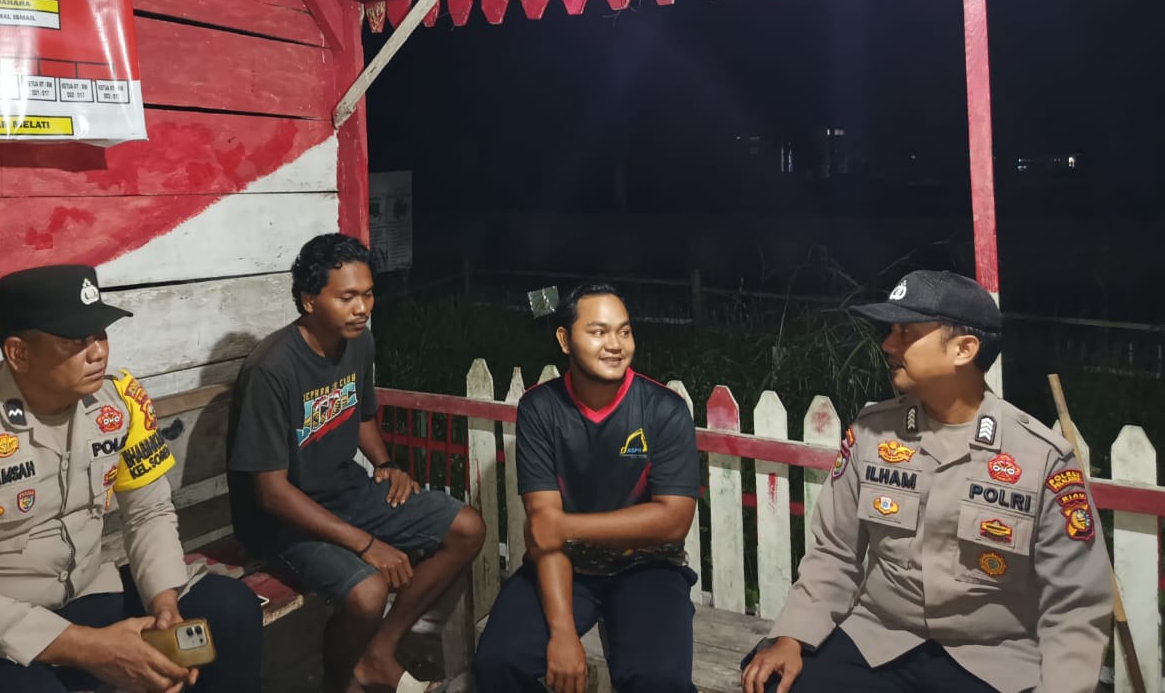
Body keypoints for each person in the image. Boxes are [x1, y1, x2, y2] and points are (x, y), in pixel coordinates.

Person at [0, 264, 262, 693]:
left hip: (81, 596)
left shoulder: (118, 401)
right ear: (18, 353)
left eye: (100, 334)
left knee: (231, 610)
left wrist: (164, 603)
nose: (97, 352)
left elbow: (149, 512)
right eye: (74, 341)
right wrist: (91, 648)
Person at [741, 270, 1113, 693]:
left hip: (992, 659)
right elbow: (835, 553)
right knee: (772, 682)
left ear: (964, 349)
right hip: (879, 640)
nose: (888, 344)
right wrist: (793, 635)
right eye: (890, 332)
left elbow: (1075, 603)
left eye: (906, 332)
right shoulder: (872, 432)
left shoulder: (1041, 458)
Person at [226, 233, 485, 693]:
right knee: (367, 591)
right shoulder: (272, 369)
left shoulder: (358, 342)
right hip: (280, 520)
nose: (362, 308)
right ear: (309, 300)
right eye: (346, 297)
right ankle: (339, 682)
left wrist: (387, 463)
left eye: (367, 294)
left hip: (345, 491)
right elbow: (271, 492)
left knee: (466, 528)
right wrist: (366, 545)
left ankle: (378, 654)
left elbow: (360, 414)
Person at [473, 282, 700, 693]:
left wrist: (565, 526)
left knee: (657, 679)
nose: (615, 344)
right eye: (598, 332)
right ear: (565, 340)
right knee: (497, 661)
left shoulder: (663, 409)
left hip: (648, 566)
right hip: (565, 563)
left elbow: (673, 521)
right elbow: (545, 531)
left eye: (624, 331)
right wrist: (562, 634)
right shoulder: (540, 409)